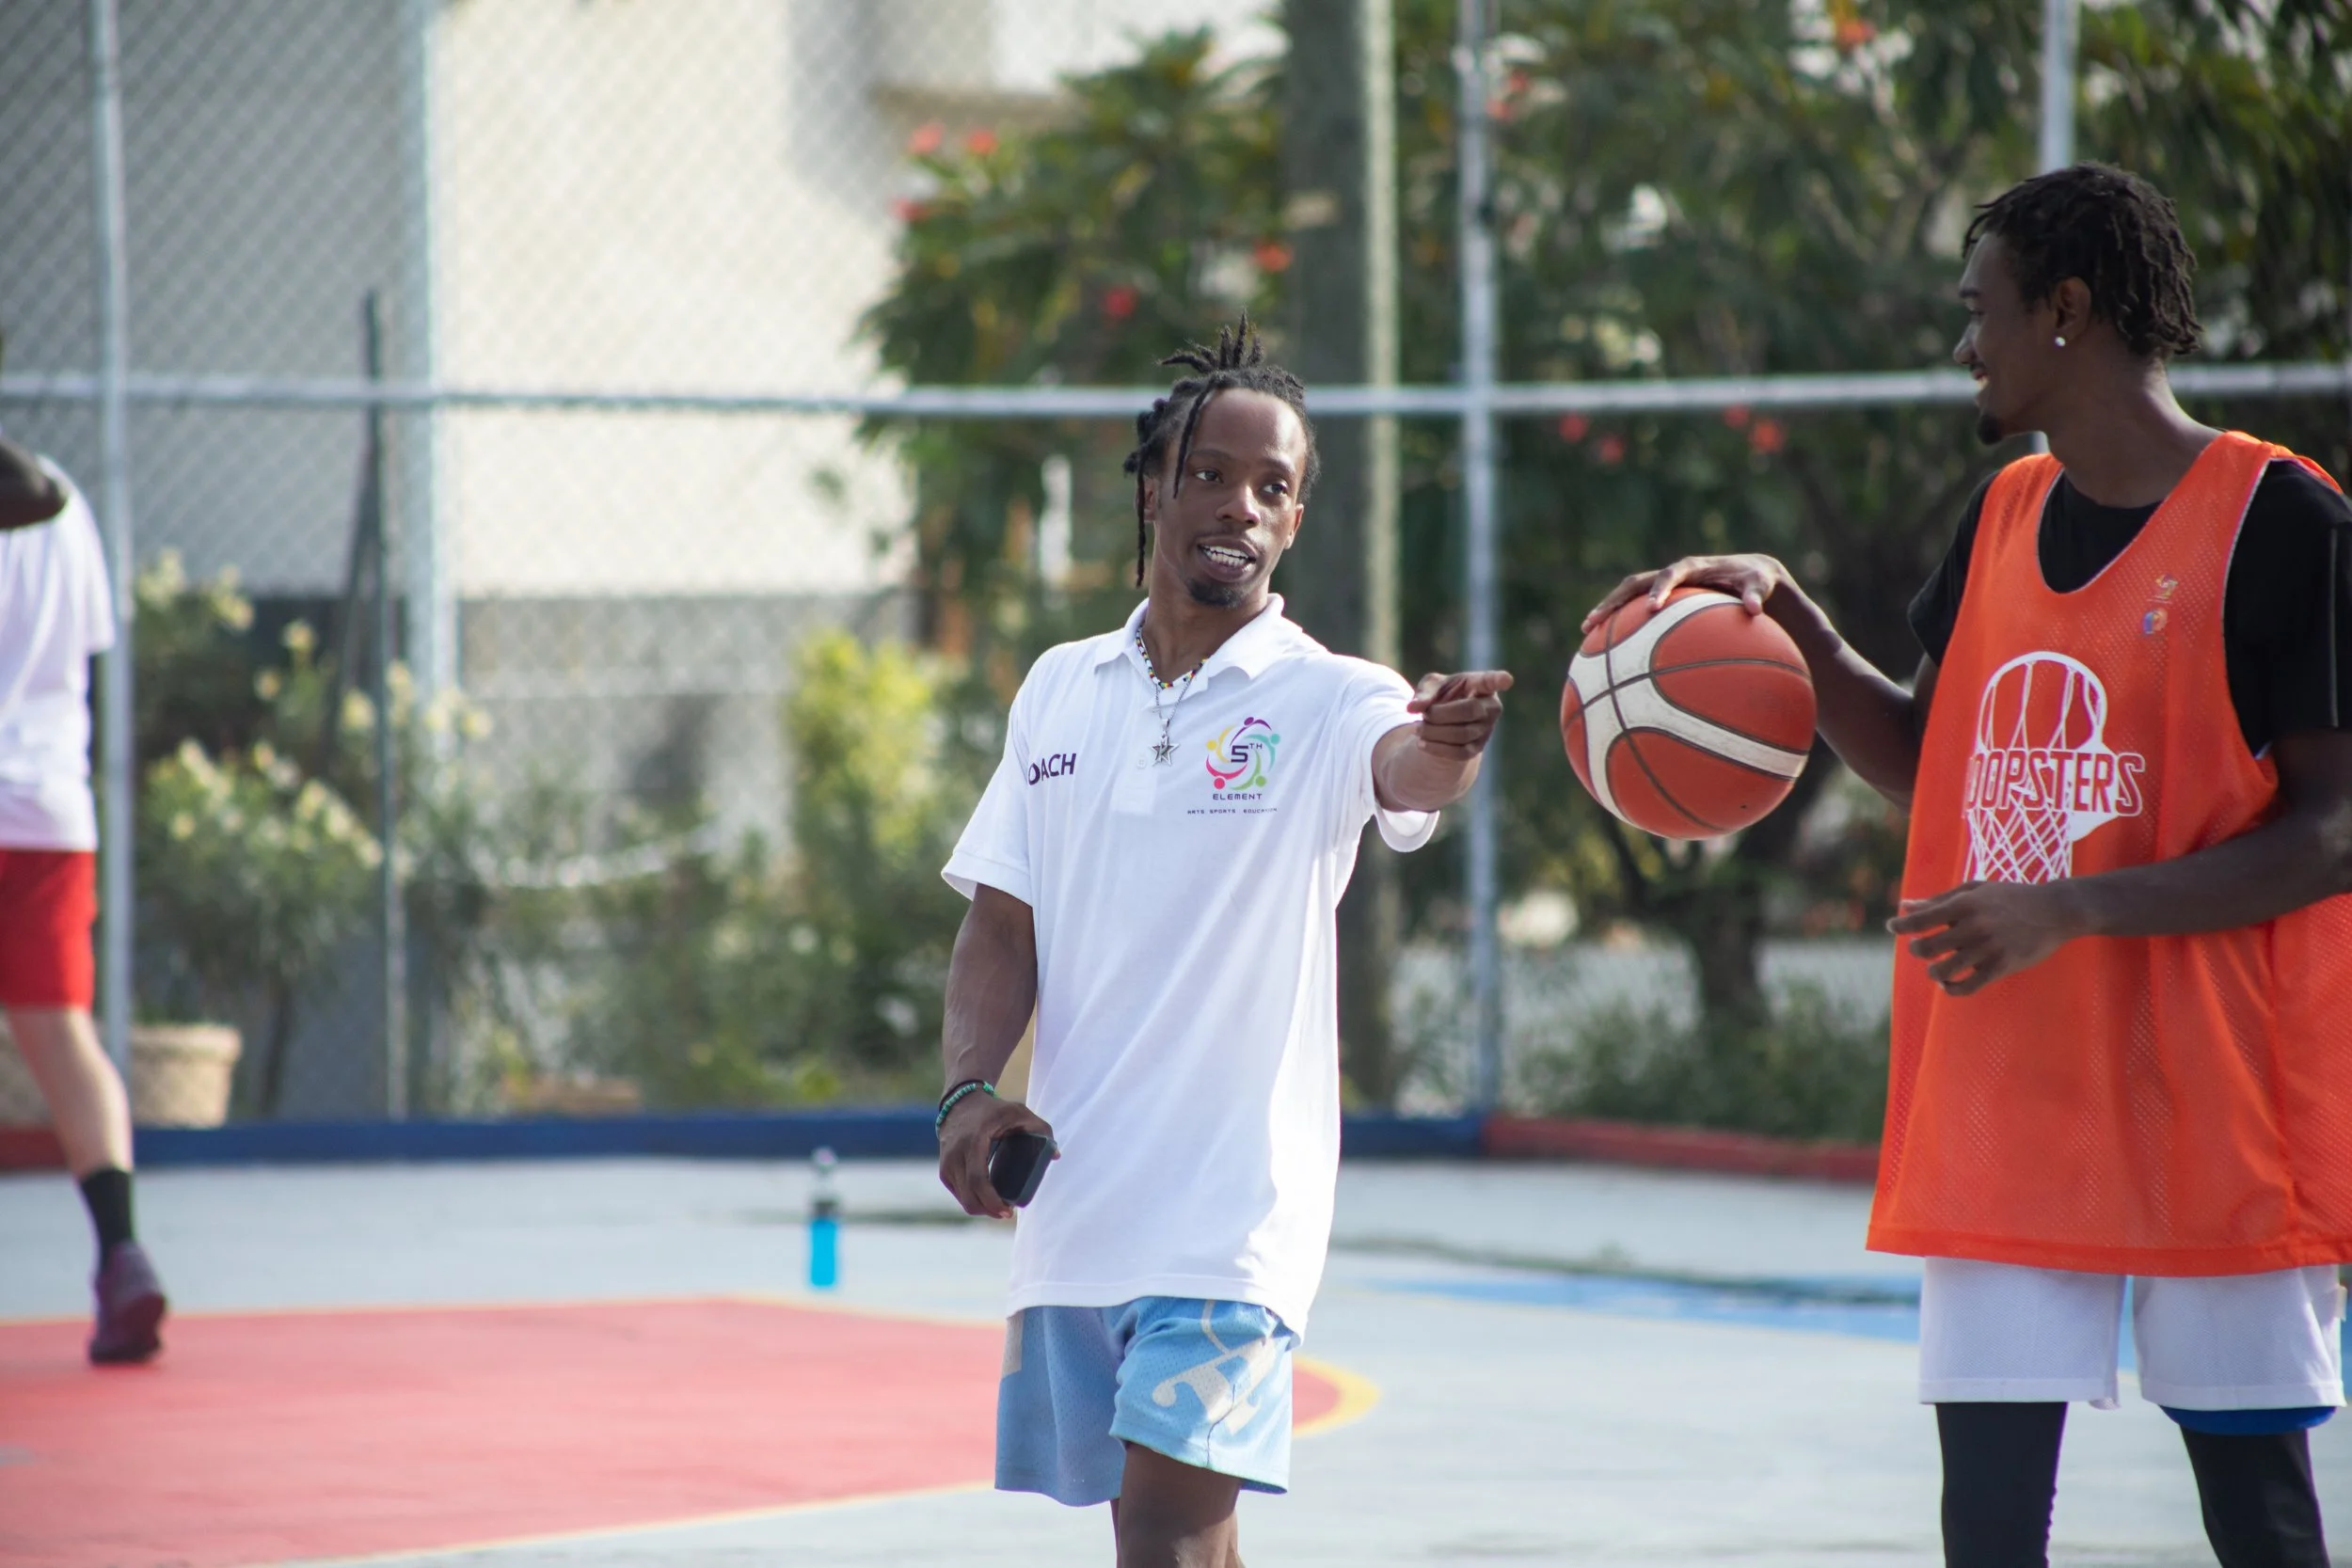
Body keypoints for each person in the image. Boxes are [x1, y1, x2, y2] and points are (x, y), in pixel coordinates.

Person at [1583, 164, 2349, 1567]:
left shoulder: (2283, 520)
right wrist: (1799, 631)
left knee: (2262, 1517)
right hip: (2013, 1095)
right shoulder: (2002, 514)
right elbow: (1935, 760)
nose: (1962, 344)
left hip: (2219, 1099)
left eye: (1977, 310)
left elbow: (2334, 829)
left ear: (2067, 309)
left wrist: (2070, 906)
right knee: (1988, 1527)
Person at [935, 318, 1509, 1567]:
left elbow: (1404, 761)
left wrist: (1446, 745)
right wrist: (971, 1092)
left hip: (1232, 1218)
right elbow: (1000, 917)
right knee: (1184, 1539)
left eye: (1274, 485)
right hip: (1080, 1204)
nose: (1239, 504)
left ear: (1294, 522)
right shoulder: (1061, 687)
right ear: (1153, 489)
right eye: (1209, 472)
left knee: (1163, 1533)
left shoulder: (1326, 693)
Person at [0, 426, 167, 1365]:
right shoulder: (64, 499)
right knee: (63, 1033)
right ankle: (121, 1252)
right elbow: (86, 644)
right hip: (52, 807)